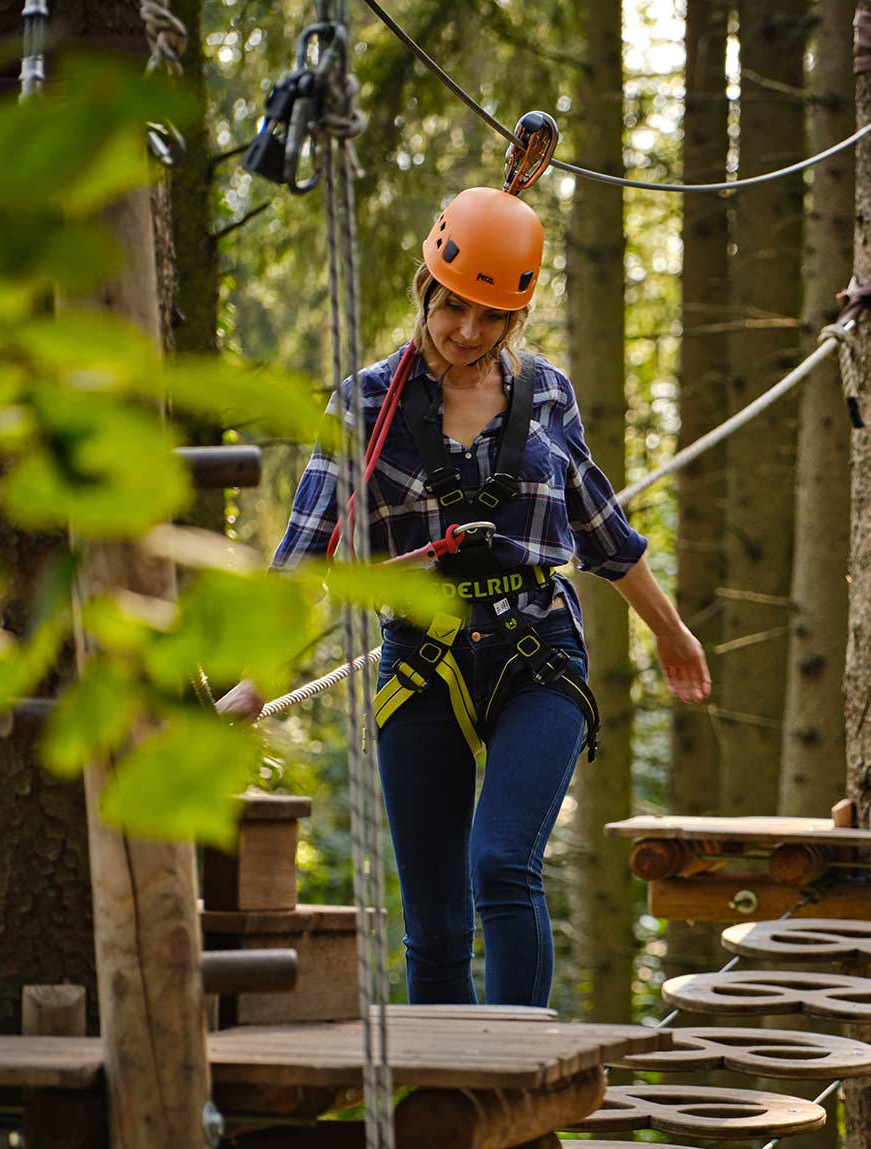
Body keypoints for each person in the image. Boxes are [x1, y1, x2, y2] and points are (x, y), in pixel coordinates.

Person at [218, 187, 710, 1008]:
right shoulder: (365, 407)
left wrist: (670, 630)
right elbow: (308, 557)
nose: (470, 334)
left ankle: (515, 1076)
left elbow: (603, 529)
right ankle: (449, 1100)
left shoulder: (546, 394)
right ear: (426, 289)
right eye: (455, 309)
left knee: (502, 865)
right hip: (422, 657)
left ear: (516, 320)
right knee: (437, 921)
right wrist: (257, 682)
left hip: (537, 649)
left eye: (493, 318)